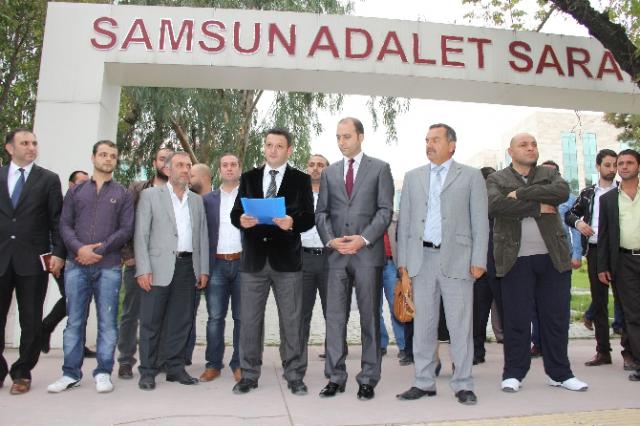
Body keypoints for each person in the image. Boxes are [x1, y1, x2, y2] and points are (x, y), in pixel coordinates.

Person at [487, 132, 588, 393]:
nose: (531, 148)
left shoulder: (548, 173)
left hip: (553, 258)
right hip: (514, 260)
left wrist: (520, 193)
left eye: (534, 144)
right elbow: (495, 205)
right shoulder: (497, 178)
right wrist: (537, 207)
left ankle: (560, 373)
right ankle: (514, 373)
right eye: (524, 145)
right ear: (511, 152)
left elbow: (561, 192)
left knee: (555, 319)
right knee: (516, 320)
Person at [396, 123, 488, 405]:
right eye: (427, 140)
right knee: (423, 325)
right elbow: (405, 223)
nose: (429, 144)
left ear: (452, 145)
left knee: (460, 326)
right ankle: (423, 382)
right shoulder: (413, 177)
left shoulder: (471, 176)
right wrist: (403, 264)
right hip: (421, 260)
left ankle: (463, 383)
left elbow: (480, 221)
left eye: (435, 139)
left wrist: (479, 259)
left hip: (458, 260)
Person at [230, 129, 314, 395]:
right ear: (264, 147)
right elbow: (235, 212)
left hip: (287, 263)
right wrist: (241, 220)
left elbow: (309, 217)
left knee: (292, 321)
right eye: (269, 145)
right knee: (249, 321)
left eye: (279, 146)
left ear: (289, 150)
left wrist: (293, 222)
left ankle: (295, 375)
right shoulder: (249, 177)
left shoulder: (301, 179)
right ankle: (249, 375)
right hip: (254, 261)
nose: (273, 150)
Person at [316, 117, 394, 401]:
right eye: (338, 137)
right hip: (336, 256)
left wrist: (363, 239)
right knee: (335, 319)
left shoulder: (380, 169)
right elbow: (321, 213)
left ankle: (368, 378)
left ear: (360, 136)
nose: (341, 142)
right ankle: (335, 377)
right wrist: (330, 240)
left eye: (346, 136)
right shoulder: (329, 173)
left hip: (367, 255)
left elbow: (385, 211)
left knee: (370, 319)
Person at [47, 140, 134, 394]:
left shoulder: (123, 194)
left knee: (107, 322)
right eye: (103, 154)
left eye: (113, 156)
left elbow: (126, 229)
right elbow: (65, 225)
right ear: (93, 157)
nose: (108, 159)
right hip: (76, 265)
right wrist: (79, 249)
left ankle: (103, 372)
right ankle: (70, 373)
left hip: (108, 267)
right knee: (75, 321)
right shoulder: (76, 192)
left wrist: (99, 250)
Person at [134, 151, 209, 391]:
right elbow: (141, 234)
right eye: (180, 165)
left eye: (188, 166)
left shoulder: (196, 201)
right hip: (157, 268)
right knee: (151, 322)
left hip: (188, 267)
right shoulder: (150, 196)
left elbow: (202, 236)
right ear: (167, 169)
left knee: (181, 321)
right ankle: (147, 371)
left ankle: (175, 368)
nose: (185, 169)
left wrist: (203, 269)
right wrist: (143, 269)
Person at [0, 128, 65, 395]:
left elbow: (57, 221)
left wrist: (58, 253)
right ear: (9, 148)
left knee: (31, 320)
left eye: (34, 143)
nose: (31, 147)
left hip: (33, 262)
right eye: (25, 143)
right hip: (2, 258)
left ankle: (22, 371)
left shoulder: (48, 179)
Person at [565, 149, 631, 367]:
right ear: (598, 166)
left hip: (619, 251)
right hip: (595, 251)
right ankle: (603, 351)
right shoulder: (588, 193)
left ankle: (629, 352)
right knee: (599, 302)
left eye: (615, 165)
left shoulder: (623, 191)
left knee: (624, 302)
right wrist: (579, 223)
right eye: (608, 165)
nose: (612, 169)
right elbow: (569, 213)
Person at [117, 147, 173, 379]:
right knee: (131, 313)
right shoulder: (137, 189)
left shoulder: (178, 192)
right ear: (154, 163)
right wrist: (129, 256)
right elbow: (125, 223)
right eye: (162, 159)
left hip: (166, 264)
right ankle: (125, 360)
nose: (166, 163)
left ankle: (158, 359)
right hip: (137, 263)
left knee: (162, 315)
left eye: (170, 160)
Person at [197, 155, 243, 383]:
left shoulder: (249, 198)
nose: (229, 168)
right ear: (220, 170)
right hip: (216, 265)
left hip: (243, 265)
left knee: (242, 318)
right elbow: (201, 235)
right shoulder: (208, 200)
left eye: (233, 165)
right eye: (225, 165)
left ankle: (239, 363)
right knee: (215, 317)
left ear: (239, 169)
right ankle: (213, 364)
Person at [530, 160, 583, 357]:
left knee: (559, 303)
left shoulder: (570, 199)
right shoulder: (531, 197)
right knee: (535, 302)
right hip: (536, 254)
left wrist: (576, 254)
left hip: (561, 255)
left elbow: (575, 229)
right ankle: (538, 343)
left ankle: (557, 345)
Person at [41, 171, 96, 358]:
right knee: (72, 298)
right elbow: (56, 231)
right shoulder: (62, 205)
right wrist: (56, 257)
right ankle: (46, 327)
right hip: (61, 258)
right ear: (71, 185)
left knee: (81, 299)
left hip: (82, 258)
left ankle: (77, 344)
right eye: (81, 182)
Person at [597, 149, 640, 382]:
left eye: (629, 162)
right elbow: (603, 236)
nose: (623, 166)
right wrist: (602, 266)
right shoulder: (608, 200)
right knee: (633, 314)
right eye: (620, 163)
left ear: (638, 166)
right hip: (624, 262)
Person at [299, 154, 330, 364]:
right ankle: (297, 356)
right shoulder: (296, 195)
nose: (315, 168)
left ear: (327, 169)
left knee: (333, 311)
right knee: (302, 313)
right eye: (311, 164)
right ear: (306, 168)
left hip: (330, 259)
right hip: (303, 258)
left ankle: (335, 354)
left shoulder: (337, 195)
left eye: (320, 165)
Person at [472, 166, 501, 365]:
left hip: (503, 266)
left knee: (510, 312)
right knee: (477, 314)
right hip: (479, 268)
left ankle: (516, 352)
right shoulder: (472, 206)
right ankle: (476, 351)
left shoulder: (503, 203)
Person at [185, 163, 213, 366]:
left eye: (192, 175)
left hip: (218, 265)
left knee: (216, 316)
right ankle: (184, 355)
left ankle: (214, 360)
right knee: (187, 312)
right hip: (192, 266)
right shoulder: (187, 202)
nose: (188, 177)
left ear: (204, 178)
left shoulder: (218, 201)